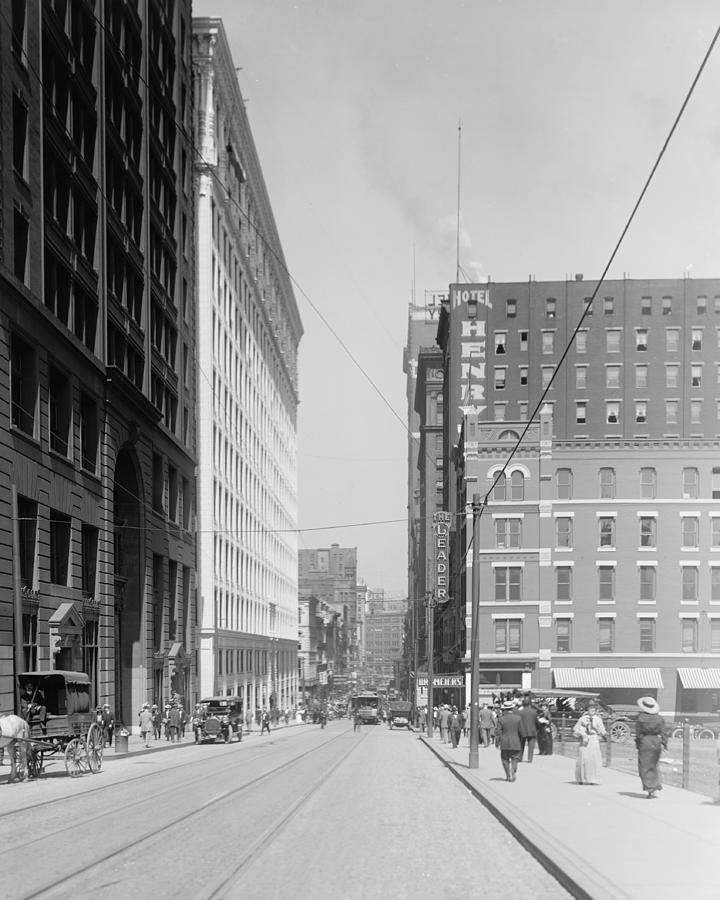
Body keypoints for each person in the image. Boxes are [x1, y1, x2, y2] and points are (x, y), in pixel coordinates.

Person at [635, 696, 667, 799]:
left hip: (645, 742)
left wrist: (638, 744)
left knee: (644, 766)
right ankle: (654, 786)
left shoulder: (640, 718)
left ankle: (649, 788)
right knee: (654, 765)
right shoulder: (659, 718)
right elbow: (663, 733)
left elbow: (638, 733)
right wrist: (664, 743)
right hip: (656, 742)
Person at [573, 700, 606, 784]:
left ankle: (593, 779)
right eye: (590, 708)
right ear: (587, 709)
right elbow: (575, 729)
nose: (592, 709)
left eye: (594, 708)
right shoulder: (582, 719)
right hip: (584, 741)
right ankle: (581, 779)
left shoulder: (598, 719)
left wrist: (603, 734)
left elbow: (602, 730)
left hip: (594, 739)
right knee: (583, 759)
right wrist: (581, 733)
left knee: (593, 759)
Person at [497, 700, 522, 781]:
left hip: (505, 743)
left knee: (505, 759)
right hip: (516, 742)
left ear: (504, 709)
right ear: (512, 708)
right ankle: (513, 769)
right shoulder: (518, 718)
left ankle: (508, 775)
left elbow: (498, 732)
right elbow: (522, 732)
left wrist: (497, 742)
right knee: (515, 758)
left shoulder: (501, 719)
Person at [518, 694, 539, 763]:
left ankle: (520, 757)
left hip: (522, 730)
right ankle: (530, 758)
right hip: (532, 730)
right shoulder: (534, 712)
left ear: (523, 704)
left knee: (521, 745)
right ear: (530, 704)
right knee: (531, 745)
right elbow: (536, 722)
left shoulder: (520, 712)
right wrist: (537, 728)